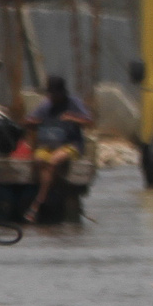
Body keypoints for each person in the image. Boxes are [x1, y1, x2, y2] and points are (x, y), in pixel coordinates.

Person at [23, 74, 95, 224]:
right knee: (39, 159)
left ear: (62, 92)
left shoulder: (73, 103)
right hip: (48, 145)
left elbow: (89, 121)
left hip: (71, 146)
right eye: (50, 94)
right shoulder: (46, 105)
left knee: (54, 161)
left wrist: (73, 118)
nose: (52, 97)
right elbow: (28, 120)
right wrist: (33, 122)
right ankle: (45, 197)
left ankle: (38, 202)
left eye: (55, 94)